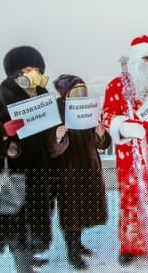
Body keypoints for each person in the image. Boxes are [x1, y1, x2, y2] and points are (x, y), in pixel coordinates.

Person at [0, 46, 68, 273]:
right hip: (14, 173)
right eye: (26, 70)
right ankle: (23, 265)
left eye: (36, 69)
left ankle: (29, 255)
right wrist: (4, 132)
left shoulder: (43, 99)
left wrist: (58, 137)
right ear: (15, 74)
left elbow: (50, 139)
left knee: (36, 219)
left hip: (41, 172)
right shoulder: (0, 99)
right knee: (16, 223)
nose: (32, 74)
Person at [101, 35, 148, 265]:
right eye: (145, 58)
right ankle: (130, 245)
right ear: (135, 60)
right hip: (133, 152)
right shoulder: (117, 85)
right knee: (133, 196)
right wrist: (123, 125)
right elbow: (107, 114)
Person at [52, 74, 111, 269]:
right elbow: (50, 145)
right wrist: (58, 136)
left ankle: (77, 243)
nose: (80, 95)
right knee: (70, 211)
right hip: (67, 169)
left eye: (82, 91)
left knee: (84, 208)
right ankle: (72, 250)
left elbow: (101, 143)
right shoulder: (55, 111)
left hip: (88, 166)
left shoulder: (88, 109)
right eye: (75, 91)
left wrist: (100, 134)